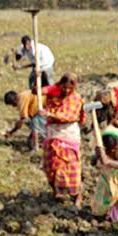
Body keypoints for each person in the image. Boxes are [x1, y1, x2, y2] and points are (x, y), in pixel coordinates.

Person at [39, 73, 86, 206]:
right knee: (51, 165)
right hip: (53, 133)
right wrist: (39, 84)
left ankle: (77, 195)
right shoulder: (55, 93)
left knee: (71, 166)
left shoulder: (76, 98)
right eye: (64, 88)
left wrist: (50, 113)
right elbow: (37, 92)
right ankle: (56, 190)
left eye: (69, 89)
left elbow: (70, 116)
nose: (66, 91)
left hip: (68, 134)